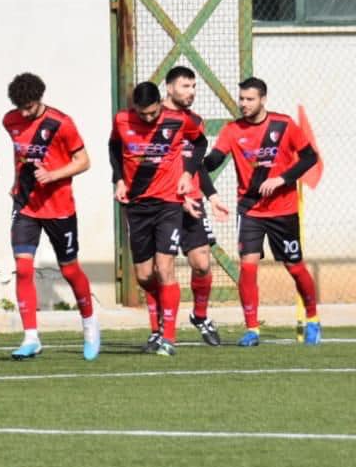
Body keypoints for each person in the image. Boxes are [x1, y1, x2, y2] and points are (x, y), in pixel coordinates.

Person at [200, 76, 322, 346]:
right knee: (247, 267)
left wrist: (282, 179)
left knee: (294, 267)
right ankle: (252, 329)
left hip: (283, 209)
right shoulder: (232, 130)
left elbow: (310, 157)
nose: (243, 104)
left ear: (263, 99)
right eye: (241, 99)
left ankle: (312, 319)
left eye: (249, 99)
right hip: (250, 210)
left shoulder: (284, 124)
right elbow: (213, 161)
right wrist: (191, 162)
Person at [1, 73, 99, 360]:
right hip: (26, 206)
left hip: (59, 207)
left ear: (39, 99)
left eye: (29, 107)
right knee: (22, 268)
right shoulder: (10, 120)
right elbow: (19, 155)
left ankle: (90, 325)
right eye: (19, 107)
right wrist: (16, 181)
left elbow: (84, 161)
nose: (24, 113)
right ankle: (31, 337)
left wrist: (53, 175)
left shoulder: (62, 124)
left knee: (69, 270)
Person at [109, 81, 205, 356]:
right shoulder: (122, 120)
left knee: (164, 269)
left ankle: (168, 338)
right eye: (143, 114)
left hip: (168, 203)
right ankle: (156, 328)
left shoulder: (177, 120)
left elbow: (199, 142)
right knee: (144, 275)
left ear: (160, 104)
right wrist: (118, 180)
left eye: (153, 113)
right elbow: (114, 148)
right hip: (136, 204)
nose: (149, 119)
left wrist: (187, 173)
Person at [162, 66, 224, 347]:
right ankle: (161, 328)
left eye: (194, 87)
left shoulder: (195, 122)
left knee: (201, 263)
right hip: (162, 202)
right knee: (156, 270)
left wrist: (210, 195)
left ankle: (200, 315)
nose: (191, 92)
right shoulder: (154, 119)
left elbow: (196, 164)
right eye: (185, 86)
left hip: (194, 200)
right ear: (169, 87)